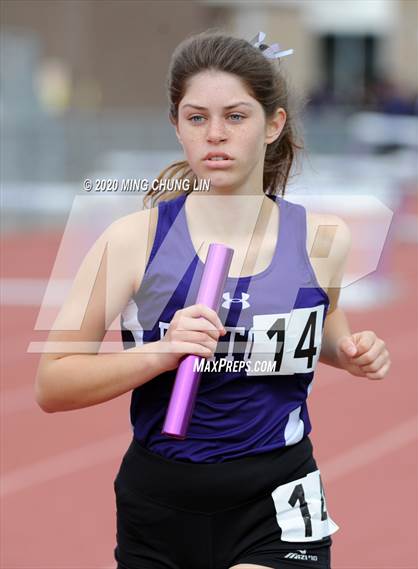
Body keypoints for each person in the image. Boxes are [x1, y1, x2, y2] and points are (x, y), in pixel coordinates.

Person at [35, 30, 391, 569]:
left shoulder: (324, 240)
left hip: (279, 496)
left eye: (237, 116)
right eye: (197, 117)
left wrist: (347, 351)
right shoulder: (133, 241)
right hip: (159, 504)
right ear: (177, 126)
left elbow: (325, 316)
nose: (216, 134)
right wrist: (161, 353)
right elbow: (53, 383)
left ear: (273, 125)